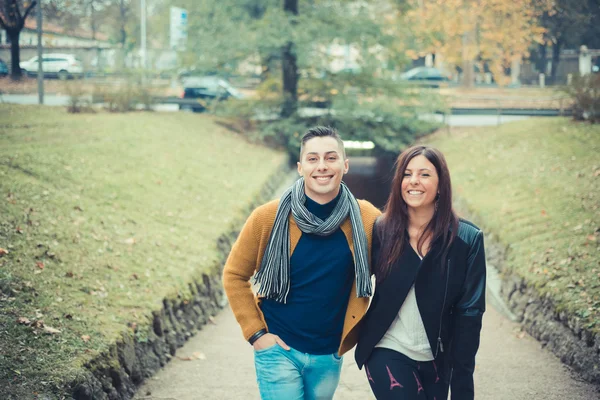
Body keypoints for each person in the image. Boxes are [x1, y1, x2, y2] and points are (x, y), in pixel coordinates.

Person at [223, 126, 381, 400]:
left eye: (331, 158)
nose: (322, 166)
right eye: (313, 159)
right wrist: (257, 335)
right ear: (300, 167)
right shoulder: (268, 217)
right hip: (279, 350)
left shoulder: (367, 219)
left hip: (328, 354)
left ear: (345, 165)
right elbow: (234, 274)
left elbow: (397, 266)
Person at [355, 145, 486, 400]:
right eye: (407, 174)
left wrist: (462, 388)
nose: (413, 181)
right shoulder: (381, 230)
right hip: (386, 346)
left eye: (424, 174)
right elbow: (347, 280)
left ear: (441, 183)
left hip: (437, 355)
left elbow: (469, 313)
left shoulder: (467, 239)